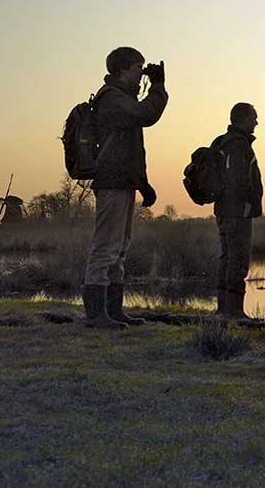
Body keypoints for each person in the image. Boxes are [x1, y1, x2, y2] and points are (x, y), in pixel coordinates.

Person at [83, 47, 168, 329]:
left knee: (119, 249)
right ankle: (96, 316)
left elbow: (131, 150)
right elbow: (146, 114)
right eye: (138, 67)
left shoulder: (121, 98)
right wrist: (158, 88)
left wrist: (143, 185)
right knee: (105, 246)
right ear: (122, 69)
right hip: (111, 182)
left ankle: (113, 312)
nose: (141, 72)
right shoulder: (112, 99)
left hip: (122, 181)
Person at [212, 103, 264, 318]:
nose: (256, 122)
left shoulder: (223, 142)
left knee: (228, 258)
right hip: (237, 211)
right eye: (254, 117)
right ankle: (233, 312)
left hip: (226, 210)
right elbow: (238, 179)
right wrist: (251, 200)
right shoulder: (237, 144)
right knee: (238, 260)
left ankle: (225, 310)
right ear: (243, 119)